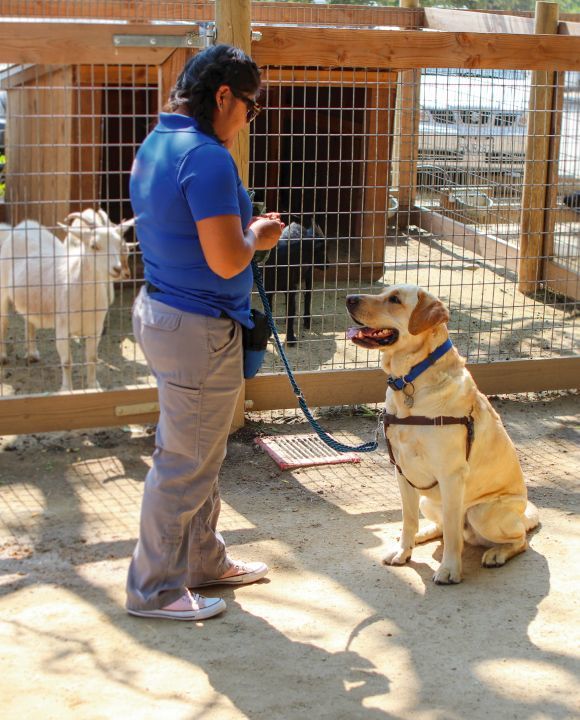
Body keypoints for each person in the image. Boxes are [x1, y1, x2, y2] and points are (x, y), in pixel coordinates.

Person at [126, 44, 284, 621]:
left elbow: (186, 235)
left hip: (164, 312)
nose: (248, 118)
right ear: (223, 97)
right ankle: (155, 589)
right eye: (251, 106)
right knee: (185, 460)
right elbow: (226, 261)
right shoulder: (209, 157)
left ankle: (202, 561)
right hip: (197, 327)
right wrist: (259, 236)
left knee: (200, 449)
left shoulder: (157, 143)